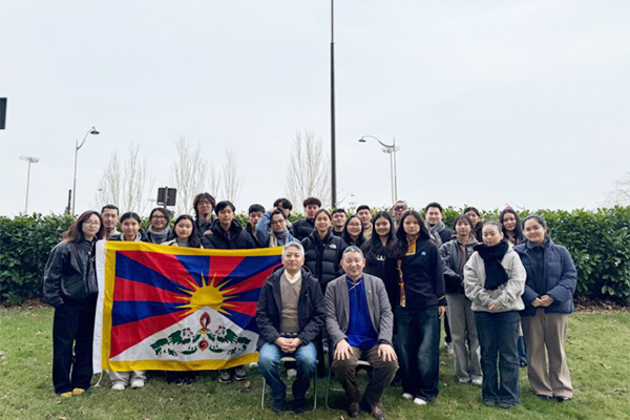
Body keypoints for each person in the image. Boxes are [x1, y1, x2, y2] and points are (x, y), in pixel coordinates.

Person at [326, 247, 398, 420]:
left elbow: (387, 313)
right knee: (341, 363)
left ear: (364, 263)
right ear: (342, 264)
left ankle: (371, 400)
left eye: (357, 260)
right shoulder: (333, 286)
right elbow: (329, 317)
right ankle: (353, 398)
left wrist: (385, 341)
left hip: (373, 339)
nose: (353, 264)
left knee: (390, 364)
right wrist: (340, 339)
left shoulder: (377, 283)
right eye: (349, 261)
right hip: (348, 340)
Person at [256, 242, 325, 413]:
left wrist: (301, 339)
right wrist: (277, 339)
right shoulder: (270, 282)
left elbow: (319, 316)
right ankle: (278, 393)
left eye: (296, 256)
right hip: (276, 337)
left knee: (309, 362)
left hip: (302, 338)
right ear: (282, 259)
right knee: (265, 361)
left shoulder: (313, 283)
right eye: (288, 255)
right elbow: (261, 315)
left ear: (302, 260)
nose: (292, 259)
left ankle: (299, 393)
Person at [515, 215, 577, 403]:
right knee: (534, 349)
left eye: (535, 228)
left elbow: (570, 276)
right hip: (531, 308)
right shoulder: (517, 253)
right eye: (528, 229)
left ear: (544, 228)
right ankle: (541, 387)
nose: (532, 232)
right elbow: (514, 278)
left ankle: (562, 388)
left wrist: (553, 296)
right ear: (524, 232)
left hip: (555, 308)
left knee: (556, 348)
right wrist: (530, 296)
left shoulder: (561, 251)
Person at [464, 221, 526, 409]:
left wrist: (500, 302)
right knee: (488, 353)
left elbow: (517, 281)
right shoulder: (475, 257)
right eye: (485, 234)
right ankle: (489, 393)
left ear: (501, 235)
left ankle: (509, 394)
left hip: (508, 312)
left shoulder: (512, 255)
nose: (488, 238)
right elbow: (470, 282)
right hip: (484, 312)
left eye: (492, 234)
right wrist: (486, 300)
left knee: (509, 354)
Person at [386, 210, 446, 406]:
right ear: (401, 226)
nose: (411, 226)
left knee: (426, 350)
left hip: (427, 304)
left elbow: (437, 274)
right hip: (403, 305)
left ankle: (427, 390)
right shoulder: (395, 247)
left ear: (420, 225)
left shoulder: (429, 246)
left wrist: (441, 301)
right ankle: (409, 387)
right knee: (405, 348)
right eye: (407, 223)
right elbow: (389, 278)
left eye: (414, 223)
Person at [43, 211, 104, 397]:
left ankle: (82, 381)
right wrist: (57, 302)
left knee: (86, 343)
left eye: (96, 223)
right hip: (68, 303)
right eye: (89, 222)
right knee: (64, 345)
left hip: (91, 304)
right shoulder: (64, 248)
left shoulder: (100, 249)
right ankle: (62, 385)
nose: (93, 225)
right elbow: (51, 276)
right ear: (80, 224)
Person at [202, 201, 255, 382]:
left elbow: (255, 255)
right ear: (217, 214)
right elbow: (211, 258)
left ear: (233, 213)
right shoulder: (209, 235)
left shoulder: (244, 234)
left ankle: (238, 363)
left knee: (237, 326)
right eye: (222, 212)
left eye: (229, 212)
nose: (226, 215)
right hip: (218, 288)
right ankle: (222, 366)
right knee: (219, 326)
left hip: (241, 288)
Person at [301, 209, 348, 377]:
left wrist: (337, 280)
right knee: (315, 329)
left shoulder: (339, 242)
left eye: (325, 219)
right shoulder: (306, 242)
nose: (322, 222)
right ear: (315, 222)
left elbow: (344, 266)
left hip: (332, 291)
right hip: (312, 293)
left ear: (330, 223)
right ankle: (318, 367)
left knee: (333, 328)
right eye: (319, 219)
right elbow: (302, 265)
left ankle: (336, 367)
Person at [438, 215, 482, 386]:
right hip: (453, 294)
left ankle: (477, 371)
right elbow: (442, 267)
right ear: (455, 228)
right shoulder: (447, 247)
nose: (462, 227)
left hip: (475, 295)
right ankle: (462, 372)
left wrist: (471, 284)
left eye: (466, 224)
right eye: (459, 224)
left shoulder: (480, 248)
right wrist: (459, 280)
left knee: (475, 335)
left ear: (471, 227)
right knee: (457, 335)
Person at [108, 212, 148, 390]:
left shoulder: (148, 246)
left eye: (133, 224)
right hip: (118, 294)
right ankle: (118, 378)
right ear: (120, 225)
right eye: (126, 224)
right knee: (118, 334)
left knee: (140, 334)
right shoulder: (111, 244)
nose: (130, 227)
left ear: (139, 225)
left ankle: (139, 374)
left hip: (142, 296)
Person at [162, 215, 203, 384]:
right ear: (175, 228)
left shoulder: (200, 248)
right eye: (181, 226)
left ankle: (190, 370)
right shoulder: (164, 247)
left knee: (192, 332)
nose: (184, 229)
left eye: (188, 226)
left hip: (192, 295)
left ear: (192, 229)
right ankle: (171, 370)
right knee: (172, 332)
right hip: (171, 295)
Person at [499, 208, 528, 367]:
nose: (509, 222)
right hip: (510, 285)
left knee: (526, 323)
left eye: (511, 219)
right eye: (505, 220)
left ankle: (526, 353)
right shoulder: (502, 242)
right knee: (515, 326)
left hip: (526, 284)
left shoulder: (524, 238)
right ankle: (520, 355)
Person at [424, 202, 454, 354]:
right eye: (431, 213)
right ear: (426, 215)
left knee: (448, 312)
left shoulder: (448, 234)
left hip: (447, 277)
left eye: (436, 213)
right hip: (428, 278)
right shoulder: (422, 232)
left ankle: (450, 340)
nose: (433, 216)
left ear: (441, 215)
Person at [360, 211, 397, 303]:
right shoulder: (367, 246)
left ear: (391, 224)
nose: (381, 227)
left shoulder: (399, 244)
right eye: (378, 224)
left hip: (395, 293)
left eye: (384, 224)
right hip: (372, 293)